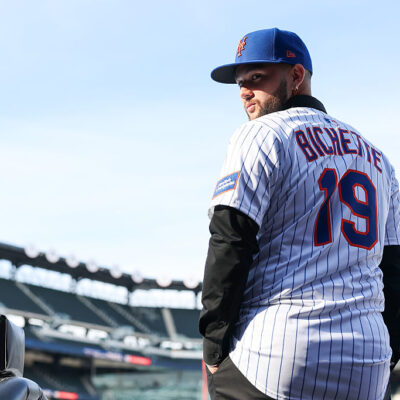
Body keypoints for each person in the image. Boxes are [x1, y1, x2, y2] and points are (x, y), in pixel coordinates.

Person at [199, 27, 400, 400]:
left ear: (296, 76)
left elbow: (229, 240)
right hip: (368, 359)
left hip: (278, 352)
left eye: (257, 78)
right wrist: (388, 356)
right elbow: (396, 269)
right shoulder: (379, 159)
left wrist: (213, 346)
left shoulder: (261, 134)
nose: (244, 91)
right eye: (241, 83)